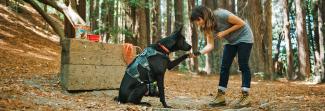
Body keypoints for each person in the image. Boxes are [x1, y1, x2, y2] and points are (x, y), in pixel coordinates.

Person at [189, 6, 254, 108]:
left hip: (244, 37)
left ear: (203, 15)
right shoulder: (207, 27)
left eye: (198, 20)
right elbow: (210, 45)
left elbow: (241, 23)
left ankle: (246, 96)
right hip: (231, 41)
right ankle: (221, 96)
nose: (198, 23)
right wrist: (197, 53)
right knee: (224, 67)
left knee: (243, 65)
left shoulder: (221, 14)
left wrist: (225, 32)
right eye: (195, 21)